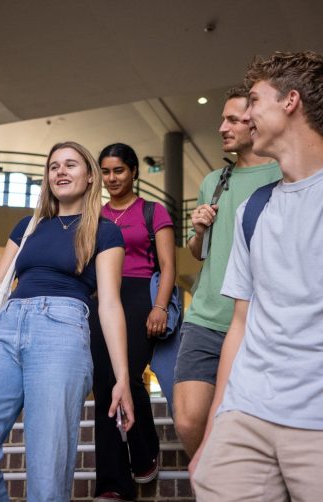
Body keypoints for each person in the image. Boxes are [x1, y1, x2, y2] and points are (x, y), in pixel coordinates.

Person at [191, 50, 323, 502]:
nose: (245, 116)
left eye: (253, 100)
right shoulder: (254, 209)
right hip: (246, 415)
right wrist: (213, 431)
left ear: (290, 102)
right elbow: (241, 325)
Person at [0, 141, 134, 502]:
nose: (61, 171)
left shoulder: (104, 232)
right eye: (54, 166)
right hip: (6, 327)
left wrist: (122, 379)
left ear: (89, 177)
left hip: (61, 330)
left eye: (70, 165)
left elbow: (110, 305)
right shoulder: (27, 226)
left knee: (48, 470)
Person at [173, 86, 281, 458]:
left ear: (256, 125)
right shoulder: (214, 181)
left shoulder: (283, 174)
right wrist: (200, 229)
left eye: (233, 120)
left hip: (257, 321)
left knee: (247, 419)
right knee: (188, 420)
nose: (222, 127)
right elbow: (197, 252)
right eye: (223, 118)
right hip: (205, 318)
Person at [90, 143, 176, 502]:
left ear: (134, 172)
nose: (112, 178)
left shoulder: (153, 211)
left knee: (128, 376)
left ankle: (143, 451)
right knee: (103, 381)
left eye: (119, 171)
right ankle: (112, 483)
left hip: (142, 297)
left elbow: (169, 266)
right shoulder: (94, 214)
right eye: (106, 172)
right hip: (103, 297)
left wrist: (159, 307)